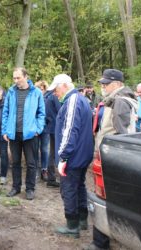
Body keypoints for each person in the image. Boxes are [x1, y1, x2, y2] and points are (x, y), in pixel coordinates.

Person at [86, 69, 138, 250]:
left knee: (104, 198)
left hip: (111, 159)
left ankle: (100, 243)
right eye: (102, 83)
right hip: (109, 156)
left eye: (105, 84)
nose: (102, 86)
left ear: (116, 84)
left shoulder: (120, 103)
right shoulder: (115, 100)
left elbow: (121, 136)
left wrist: (110, 158)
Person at [47, 74, 94, 238]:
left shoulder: (73, 101)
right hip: (82, 154)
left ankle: (72, 226)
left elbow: (69, 130)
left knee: (68, 190)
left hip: (74, 156)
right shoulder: (80, 99)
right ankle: (82, 220)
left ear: (65, 85)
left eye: (56, 89)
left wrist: (63, 157)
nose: (54, 93)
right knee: (80, 186)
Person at [2, 67, 45, 200]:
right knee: (15, 162)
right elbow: (6, 112)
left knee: (31, 163)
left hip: (30, 134)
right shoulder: (11, 92)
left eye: (18, 78)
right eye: (14, 78)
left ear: (26, 77)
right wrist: (4, 130)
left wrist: (38, 129)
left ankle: (30, 188)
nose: (16, 81)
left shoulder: (36, 92)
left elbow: (41, 113)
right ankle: (16, 187)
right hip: (14, 133)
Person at [34, 80, 50, 181]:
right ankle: (35, 170)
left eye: (43, 89)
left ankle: (44, 169)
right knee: (34, 149)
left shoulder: (49, 98)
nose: (41, 90)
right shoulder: (33, 98)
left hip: (45, 128)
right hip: (35, 127)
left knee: (44, 149)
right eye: (39, 88)